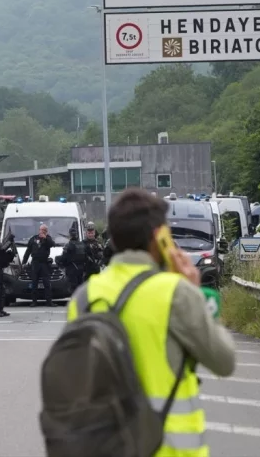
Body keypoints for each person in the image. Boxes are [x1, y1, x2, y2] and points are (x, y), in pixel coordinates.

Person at [67, 188, 236, 456]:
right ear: (161, 237)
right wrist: (197, 295)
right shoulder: (176, 292)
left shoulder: (84, 297)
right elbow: (224, 361)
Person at [22, 224, 56, 307]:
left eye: (44, 230)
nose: (42, 231)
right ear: (39, 230)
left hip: (44, 263)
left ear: (46, 231)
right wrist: (24, 262)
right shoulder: (33, 239)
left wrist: (45, 238)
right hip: (35, 263)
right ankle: (34, 301)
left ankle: (49, 301)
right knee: (34, 282)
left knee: (47, 283)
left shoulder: (48, 238)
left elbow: (52, 244)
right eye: (41, 229)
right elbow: (28, 251)